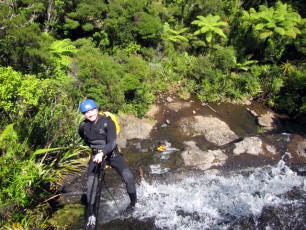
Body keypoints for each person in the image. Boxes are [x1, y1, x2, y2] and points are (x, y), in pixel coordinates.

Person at [78, 99, 137, 226]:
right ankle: (91, 215)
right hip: (95, 156)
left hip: (112, 154)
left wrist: (102, 153)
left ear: (97, 109)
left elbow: (111, 143)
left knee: (129, 177)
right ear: (84, 114)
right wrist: (96, 152)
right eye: (87, 112)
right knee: (91, 184)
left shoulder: (107, 123)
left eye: (92, 110)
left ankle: (133, 204)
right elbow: (86, 140)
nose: (90, 114)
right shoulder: (83, 127)